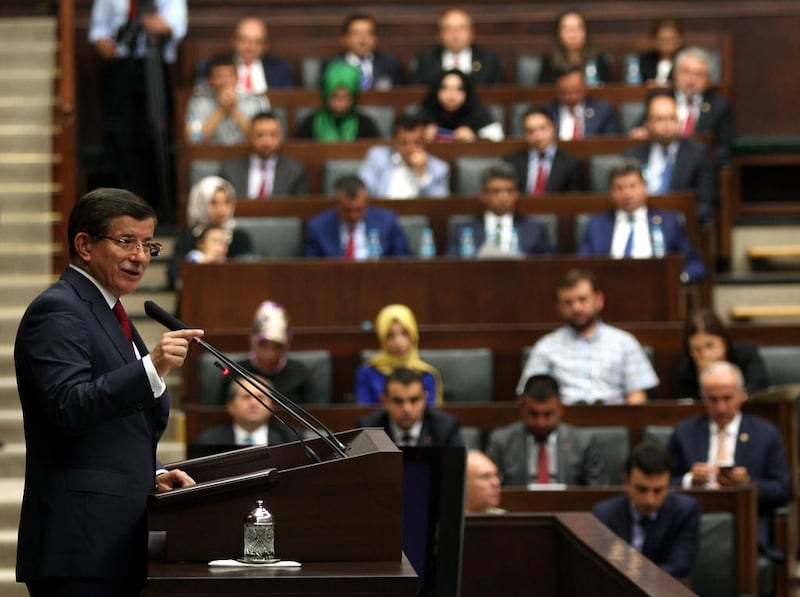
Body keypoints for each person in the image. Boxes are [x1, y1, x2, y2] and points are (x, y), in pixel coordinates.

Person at [14, 188, 201, 595]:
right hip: (79, 544)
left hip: (111, 541)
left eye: (148, 244)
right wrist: (151, 367)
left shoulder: (109, 311)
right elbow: (68, 406)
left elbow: (113, 430)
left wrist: (152, 473)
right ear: (84, 244)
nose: (141, 256)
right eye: (125, 241)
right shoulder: (59, 310)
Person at [668, 361, 790, 559]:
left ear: (742, 394)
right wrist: (689, 481)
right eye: (713, 399)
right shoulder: (684, 432)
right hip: (692, 523)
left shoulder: (766, 433)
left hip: (745, 527)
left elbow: (783, 490)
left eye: (727, 398)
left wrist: (748, 485)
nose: (721, 407)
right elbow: (662, 482)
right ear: (703, 397)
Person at [89, 0, 187, 221]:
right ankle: (126, 205)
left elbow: (178, 26)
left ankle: (158, 208)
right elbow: (98, 29)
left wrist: (161, 26)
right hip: (120, 65)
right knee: (121, 135)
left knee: (155, 133)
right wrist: (102, 42)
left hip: (153, 64)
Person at [517, 269, 659, 405]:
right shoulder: (546, 346)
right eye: (568, 302)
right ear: (558, 307)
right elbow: (529, 395)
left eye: (582, 299)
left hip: (615, 423)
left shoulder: (624, 342)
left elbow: (638, 395)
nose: (576, 308)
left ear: (599, 300)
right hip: (563, 423)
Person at [578, 159, 708, 284]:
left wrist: (679, 279)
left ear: (645, 188)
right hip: (609, 289)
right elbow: (583, 266)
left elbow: (694, 264)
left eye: (633, 186)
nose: (627, 193)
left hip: (660, 290)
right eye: (620, 188)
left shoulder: (669, 222)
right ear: (611, 193)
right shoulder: (596, 225)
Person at [593, 442, 701, 581]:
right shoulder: (604, 514)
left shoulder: (685, 511)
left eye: (658, 491)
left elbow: (680, 565)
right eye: (642, 490)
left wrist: (637, 578)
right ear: (626, 482)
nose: (649, 500)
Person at [487, 374, 607, 486]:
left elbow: (596, 491)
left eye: (548, 414)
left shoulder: (584, 443)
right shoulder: (502, 441)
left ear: (561, 408)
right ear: (522, 408)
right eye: (533, 414)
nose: (541, 423)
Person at [623, 92, 716, 223]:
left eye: (671, 118)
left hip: (681, 225)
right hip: (640, 223)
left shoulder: (697, 153)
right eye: (660, 119)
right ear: (648, 124)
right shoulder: (632, 156)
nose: (667, 125)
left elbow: (706, 201)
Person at [447, 162, 553, 257]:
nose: (503, 197)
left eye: (509, 191)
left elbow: (550, 266)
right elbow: (450, 267)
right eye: (496, 191)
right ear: (483, 195)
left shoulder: (535, 229)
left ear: (516, 195)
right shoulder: (463, 230)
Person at [221, 301, 315, 405]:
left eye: (277, 347)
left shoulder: (299, 373)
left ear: (287, 345)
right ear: (253, 342)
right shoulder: (236, 372)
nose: (270, 354)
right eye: (263, 345)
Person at [168, 176, 253, 290]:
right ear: (201, 203)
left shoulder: (239, 237)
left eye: (226, 202)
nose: (221, 209)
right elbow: (174, 277)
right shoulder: (188, 237)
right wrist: (203, 262)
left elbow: (250, 274)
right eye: (214, 203)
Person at [304, 175, 411, 258]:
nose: (353, 216)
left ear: (366, 202)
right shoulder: (318, 226)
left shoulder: (387, 221)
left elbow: (403, 260)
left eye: (359, 210)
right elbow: (311, 268)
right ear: (337, 204)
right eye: (347, 210)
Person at [355, 304, 442, 406]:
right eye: (390, 336)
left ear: (413, 334)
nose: (398, 341)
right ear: (382, 338)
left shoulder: (426, 374)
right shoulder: (367, 373)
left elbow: (430, 416)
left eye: (404, 333)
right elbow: (363, 414)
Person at [675, 309, 770, 399]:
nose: (705, 354)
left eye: (710, 346)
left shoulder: (746, 354)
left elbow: (760, 388)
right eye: (696, 349)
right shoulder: (686, 370)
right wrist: (703, 377)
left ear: (723, 342)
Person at [357, 368, 463, 447]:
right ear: (385, 402)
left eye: (414, 400)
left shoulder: (445, 427)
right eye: (398, 401)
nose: (407, 409)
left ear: (425, 399)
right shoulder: (368, 429)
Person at [185, 53, 269, 146]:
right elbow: (194, 139)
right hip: (210, 158)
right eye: (219, 76)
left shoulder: (254, 101)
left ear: (237, 78)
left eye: (229, 76)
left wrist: (233, 110)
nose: (225, 81)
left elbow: (263, 139)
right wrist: (221, 110)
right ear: (210, 81)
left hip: (244, 158)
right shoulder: (198, 103)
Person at [358, 114, 450, 198]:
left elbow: (438, 205)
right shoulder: (377, 156)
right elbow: (364, 188)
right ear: (394, 141)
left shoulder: (440, 168)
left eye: (417, 143)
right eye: (403, 143)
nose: (410, 148)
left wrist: (422, 173)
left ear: (424, 142)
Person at [220, 111, 309, 198]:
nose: (266, 142)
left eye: (272, 135)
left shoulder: (295, 171)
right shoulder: (230, 170)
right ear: (249, 137)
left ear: (281, 137)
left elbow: (300, 209)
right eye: (260, 135)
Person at [672, 46, 734, 165]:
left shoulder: (720, 106)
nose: (691, 80)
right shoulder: (662, 100)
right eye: (686, 72)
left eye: (698, 74)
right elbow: (637, 133)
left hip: (701, 169)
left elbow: (724, 148)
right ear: (676, 74)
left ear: (708, 79)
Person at [410, 8, 505, 86]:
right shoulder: (425, 60)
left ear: (472, 34)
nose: (455, 34)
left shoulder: (489, 59)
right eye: (448, 29)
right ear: (439, 35)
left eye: (461, 28)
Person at [195, 375, 295, 447]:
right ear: (231, 406)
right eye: (246, 397)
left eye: (260, 397)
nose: (254, 403)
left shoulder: (290, 439)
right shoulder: (209, 441)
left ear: (272, 406)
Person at [503, 106, 582, 195]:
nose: (537, 135)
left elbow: (573, 198)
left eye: (542, 128)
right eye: (530, 131)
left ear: (553, 128)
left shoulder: (570, 163)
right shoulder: (512, 162)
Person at [294, 60, 380, 141]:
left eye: (346, 97)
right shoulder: (309, 125)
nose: (341, 103)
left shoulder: (366, 125)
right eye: (335, 96)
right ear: (326, 95)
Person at [418, 69, 504, 143]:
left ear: (467, 93)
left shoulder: (478, 112)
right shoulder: (426, 112)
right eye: (445, 88)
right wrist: (423, 136)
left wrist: (475, 138)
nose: (451, 95)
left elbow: (497, 140)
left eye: (458, 89)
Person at [325, 12, 403, 91]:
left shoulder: (389, 63)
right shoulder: (332, 65)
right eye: (356, 34)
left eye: (369, 34)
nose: (362, 40)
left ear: (376, 38)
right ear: (343, 39)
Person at [539, 10, 612, 85]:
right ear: (559, 34)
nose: (573, 35)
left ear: (585, 32)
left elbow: (609, 91)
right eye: (567, 29)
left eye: (577, 29)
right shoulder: (549, 62)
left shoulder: (600, 60)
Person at [547, 66, 620, 140]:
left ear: (585, 88)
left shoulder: (603, 111)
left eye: (576, 91)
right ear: (557, 91)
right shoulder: (548, 111)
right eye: (565, 92)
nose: (571, 96)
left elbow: (612, 143)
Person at [229, 15, 292, 91]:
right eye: (244, 41)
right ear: (234, 41)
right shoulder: (218, 66)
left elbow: (286, 99)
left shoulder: (280, 68)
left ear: (265, 45)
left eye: (257, 42)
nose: (250, 48)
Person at [638, 18, 685, 86]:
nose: (667, 43)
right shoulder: (644, 60)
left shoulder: (686, 61)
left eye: (672, 39)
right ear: (654, 40)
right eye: (663, 39)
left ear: (680, 40)